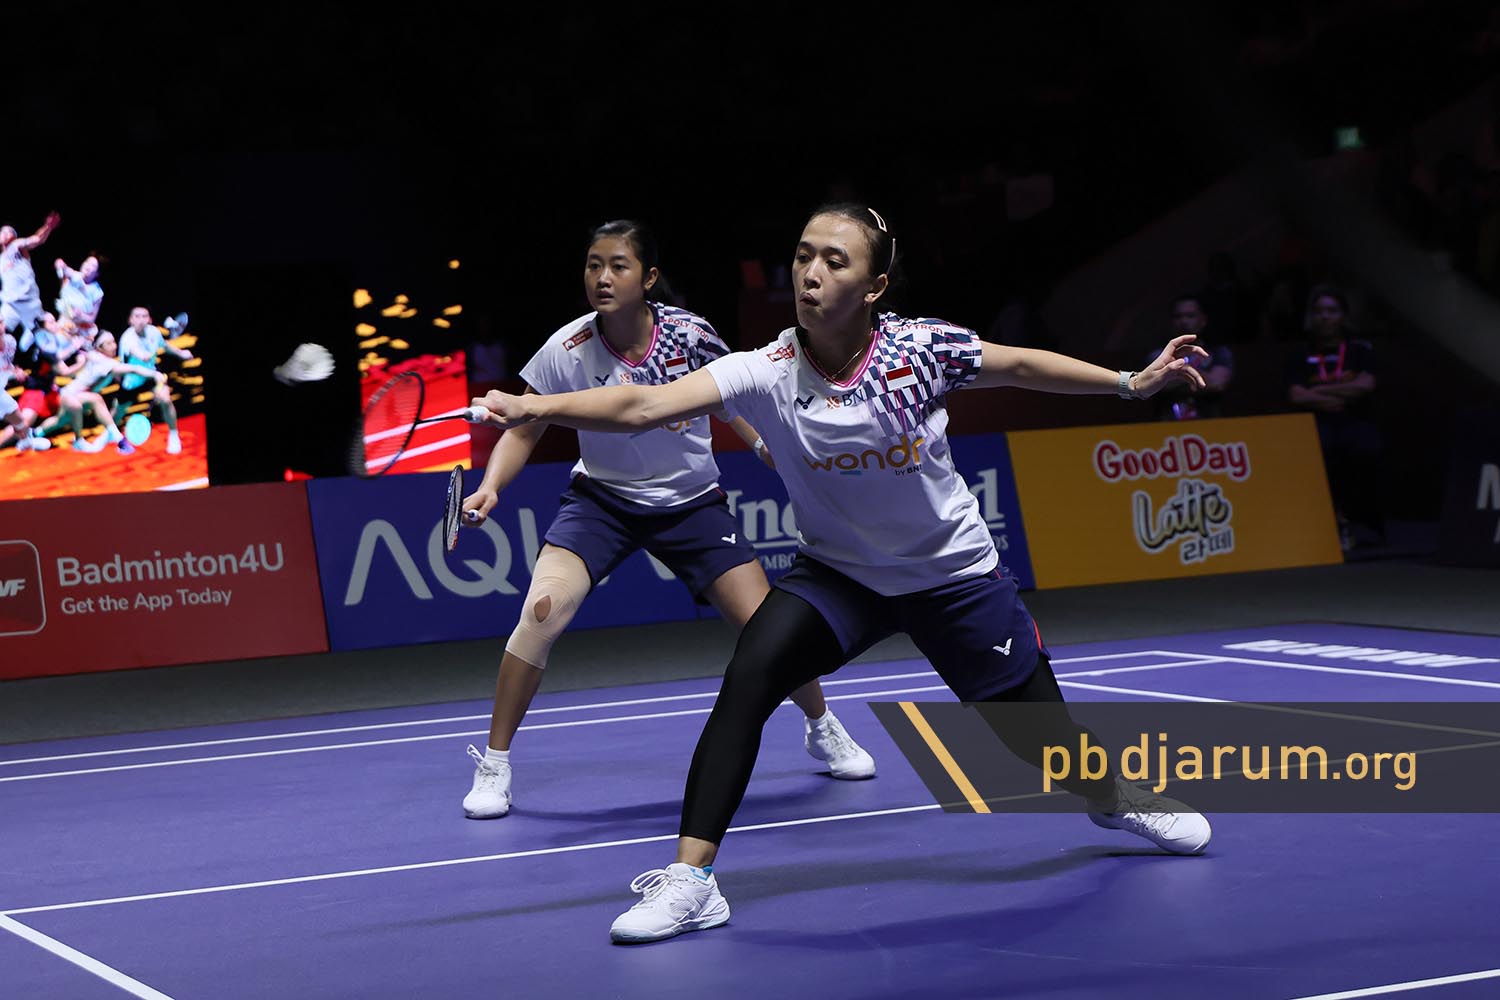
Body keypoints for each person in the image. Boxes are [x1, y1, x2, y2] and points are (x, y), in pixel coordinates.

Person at [470, 203, 1215, 943]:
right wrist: (532, 406)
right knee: (748, 680)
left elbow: (1018, 364)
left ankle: (1112, 797)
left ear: (874, 286)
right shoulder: (765, 370)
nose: (811, 273)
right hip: (840, 578)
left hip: (953, 578)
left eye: (835, 260)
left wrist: (1129, 383)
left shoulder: (921, 351)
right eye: (803, 255)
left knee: (1038, 743)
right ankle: (693, 880)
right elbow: (643, 404)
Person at [457, 219, 875, 822]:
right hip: (602, 502)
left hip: (692, 503)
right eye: (593, 265)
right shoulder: (568, 347)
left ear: (648, 277)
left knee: (767, 625)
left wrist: (762, 442)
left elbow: (736, 394)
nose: (602, 278)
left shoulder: (689, 334)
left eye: (618, 265)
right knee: (541, 613)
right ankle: (495, 762)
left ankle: (822, 725)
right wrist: (491, 486)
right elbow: (525, 427)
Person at [1285, 284, 1382, 550]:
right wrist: (1340, 393)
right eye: (1319, 311)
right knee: (1320, 450)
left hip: (1355, 420)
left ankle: (1361, 525)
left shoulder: (1360, 350)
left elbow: (1365, 385)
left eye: (1332, 310)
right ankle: (1325, 525)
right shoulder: (1301, 353)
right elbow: (1296, 395)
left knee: (1365, 449)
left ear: (1343, 315)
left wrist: (1318, 391)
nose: (1325, 317)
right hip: (1315, 423)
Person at [115, 307, 193, 454]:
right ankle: (112, 435)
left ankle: (174, 435)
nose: (141, 320)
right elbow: (140, 354)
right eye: (137, 316)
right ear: (130, 320)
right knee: (118, 413)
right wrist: (147, 354)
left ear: (149, 319)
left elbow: (164, 345)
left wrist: (181, 353)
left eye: (144, 316)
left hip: (151, 374)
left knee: (165, 399)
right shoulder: (127, 339)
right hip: (131, 379)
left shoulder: (154, 332)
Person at [1149, 294, 1233, 420]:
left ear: (1203, 320)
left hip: (1210, 423)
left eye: (1190, 316)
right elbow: (1154, 385)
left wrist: (1174, 373)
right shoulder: (1159, 354)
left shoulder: (1219, 352)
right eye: (1178, 316)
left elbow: (1216, 384)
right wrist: (1197, 379)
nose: (1183, 321)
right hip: (1168, 424)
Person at [1, 213, 61, 345]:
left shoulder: (17, 245)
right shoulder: (1, 259)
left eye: (8, 232)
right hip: (11, 303)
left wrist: (48, 227)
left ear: (13, 236)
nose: (4, 234)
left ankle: (34, 331)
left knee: (44, 331)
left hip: (28, 300)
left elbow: (37, 239)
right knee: (2, 329)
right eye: (2, 232)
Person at [54, 255, 105, 343]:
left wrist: (81, 314)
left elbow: (91, 319)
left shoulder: (97, 292)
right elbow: (63, 267)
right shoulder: (74, 276)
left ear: (97, 273)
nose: (88, 266)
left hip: (81, 331)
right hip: (64, 324)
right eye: (87, 262)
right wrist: (60, 265)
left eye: (93, 266)